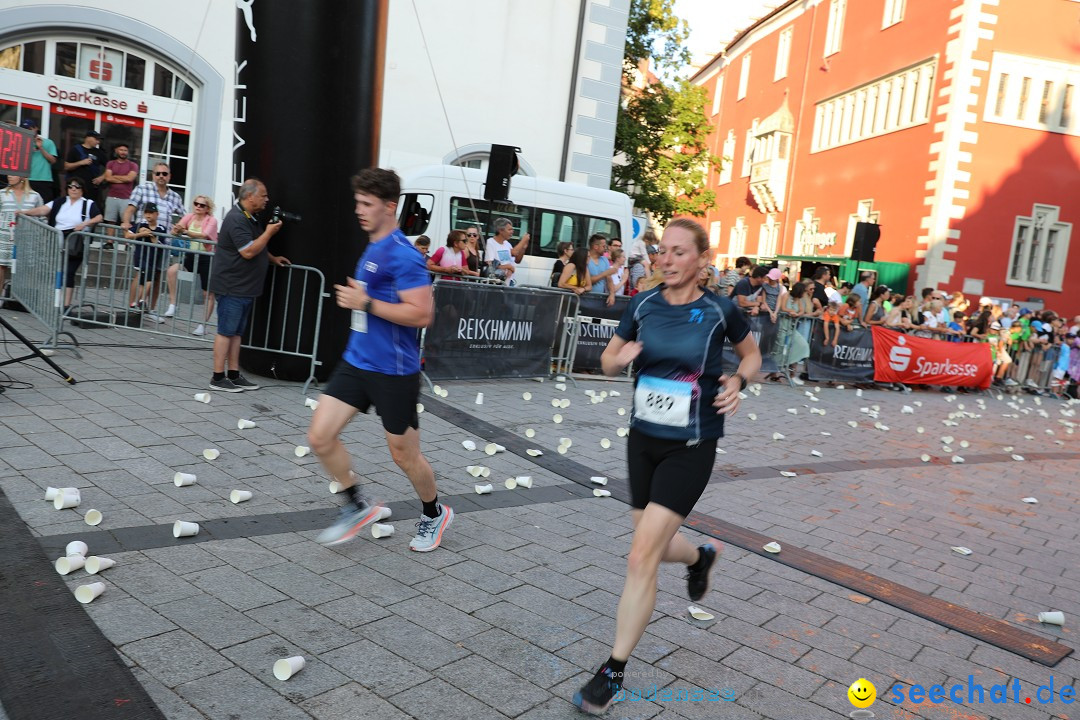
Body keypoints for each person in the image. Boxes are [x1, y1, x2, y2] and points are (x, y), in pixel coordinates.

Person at [573, 218, 761, 714]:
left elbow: (751, 355)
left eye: (680, 253)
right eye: (664, 252)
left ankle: (612, 671)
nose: (668, 260)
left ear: (701, 260)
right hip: (643, 440)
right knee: (652, 548)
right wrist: (622, 357)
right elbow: (608, 361)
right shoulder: (643, 304)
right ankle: (699, 559)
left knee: (640, 557)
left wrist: (739, 381)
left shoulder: (720, 310)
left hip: (691, 445)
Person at [310, 167, 452, 552]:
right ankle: (357, 505)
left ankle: (433, 512)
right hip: (357, 362)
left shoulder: (405, 256)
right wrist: (361, 297)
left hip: (394, 371)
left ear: (390, 207)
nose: (359, 210)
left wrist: (366, 302)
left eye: (367, 204)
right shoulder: (372, 246)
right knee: (320, 437)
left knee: (404, 456)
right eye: (357, 202)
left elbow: (422, 315)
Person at [207, 178, 290, 392]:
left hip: (244, 287)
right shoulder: (236, 218)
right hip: (232, 286)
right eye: (263, 195)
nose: (267, 199)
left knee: (236, 332)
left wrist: (272, 258)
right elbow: (248, 251)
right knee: (226, 331)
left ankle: (233, 375)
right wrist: (270, 232)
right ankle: (217, 378)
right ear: (250, 196)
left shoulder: (250, 218)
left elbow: (255, 245)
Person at [17, 177, 103, 310]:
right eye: (70, 186)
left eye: (77, 187)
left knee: (69, 272)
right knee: (58, 271)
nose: (73, 189)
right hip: (58, 240)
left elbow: (98, 217)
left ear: (82, 189)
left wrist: (84, 224)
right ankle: (56, 301)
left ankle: (66, 304)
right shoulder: (61, 201)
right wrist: (25, 212)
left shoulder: (88, 203)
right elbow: (43, 210)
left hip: (76, 241)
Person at [165, 195, 219, 335]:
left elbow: (204, 235)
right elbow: (176, 230)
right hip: (192, 255)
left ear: (208, 208)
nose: (198, 207)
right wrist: (176, 230)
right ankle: (173, 304)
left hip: (207, 257)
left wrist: (185, 231)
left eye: (202, 205)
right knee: (172, 271)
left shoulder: (211, 220)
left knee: (208, 293)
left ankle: (203, 325)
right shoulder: (190, 216)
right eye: (196, 204)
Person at [125, 203, 170, 322]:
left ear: (157, 214)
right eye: (146, 213)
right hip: (141, 257)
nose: (148, 215)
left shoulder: (161, 228)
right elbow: (127, 235)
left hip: (154, 259)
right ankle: (138, 302)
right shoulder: (140, 224)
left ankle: (139, 302)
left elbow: (159, 243)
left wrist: (151, 235)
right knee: (143, 278)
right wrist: (141, 234)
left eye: (151, 213)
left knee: (148, 280)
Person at [0, 175, 44, 299]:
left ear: (23, 177)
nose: (9, 176)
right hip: (4, 235)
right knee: (1, 266)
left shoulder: (35, 196)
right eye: (8, 173)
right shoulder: (2, 193)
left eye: (13, 174)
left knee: (24, 267)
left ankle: (21, 299)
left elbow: (42, 216)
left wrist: (39, 235)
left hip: (27, 237)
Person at [121, 163, 185, 236]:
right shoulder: (141, 189)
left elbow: (185, 217)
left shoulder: (175, 197)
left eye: (164, 174)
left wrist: (178, 228)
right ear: (153, 175)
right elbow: (130, 210)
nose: (161, 176)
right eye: (158, 173)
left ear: (169, 176)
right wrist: (126, 222)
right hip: (142, 239)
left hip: (163, 242)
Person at [102, 143, 139, 246]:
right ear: (116, 151)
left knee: (126, 221)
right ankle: (110, 242)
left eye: (125, 150)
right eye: (121, 150)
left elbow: (130, 178)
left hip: (127, 198)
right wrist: (124, 178)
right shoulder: (110, 163)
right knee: (110, 220)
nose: (123, 152)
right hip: (111, 196)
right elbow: (108, 178)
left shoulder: (133, 165)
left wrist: (115, 177)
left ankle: (128, 243)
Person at [21, 118, 58, 203]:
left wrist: (41, 148)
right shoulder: (21, 142)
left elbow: (53, 160)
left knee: (43, 206)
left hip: (44, 180)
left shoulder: (48, 142)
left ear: (36, 129)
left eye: (30, 129)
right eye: (24, 129)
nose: (27, 131)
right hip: (26, 180)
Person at [63, 130, 106, 200]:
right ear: (88, 138)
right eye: (96, 139)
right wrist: (80, 163)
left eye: (99, 140)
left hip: (92, 188)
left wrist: (101, 178)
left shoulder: (99, 152)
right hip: (76, 187)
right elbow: (66, 166)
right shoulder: (75, 149)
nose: (98, 142)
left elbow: (111, 167)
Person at [485, 218, 528, 285]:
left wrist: (523, 248)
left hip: (509, 281)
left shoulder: (507, 244)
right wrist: (509, 267)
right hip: (497, 282)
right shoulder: (491, 242)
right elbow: (490, 264)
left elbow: (517, 259)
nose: (512, 231)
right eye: (509, 229)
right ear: (501, 230)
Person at [585, 233, 618, 306]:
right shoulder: (585, 259)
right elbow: (587, 281)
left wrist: (612, 294)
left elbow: (609, 279)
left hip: (599, 300)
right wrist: (605, 273)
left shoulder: (604, 260)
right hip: (584, 299)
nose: (606, 248)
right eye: (603, 246)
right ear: (595, 247)